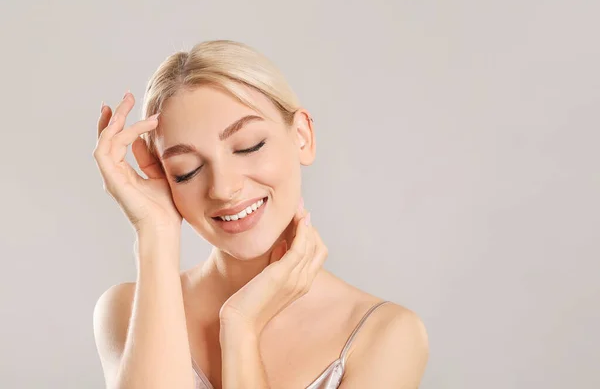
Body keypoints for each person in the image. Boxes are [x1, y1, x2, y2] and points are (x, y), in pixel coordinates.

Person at [92, 39, 429, 389]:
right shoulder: (126, 311)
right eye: (187, 170)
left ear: (302, 136)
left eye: (248, 146)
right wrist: (155, 232)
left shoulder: (386, 335)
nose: (223, 188)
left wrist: (241, 329)